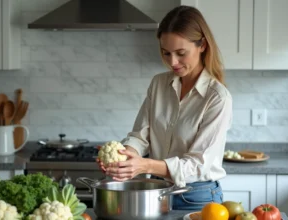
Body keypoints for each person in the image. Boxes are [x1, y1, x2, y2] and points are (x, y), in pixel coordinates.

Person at [97, 5, 232, 211]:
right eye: (166, 53)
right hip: (157, 192)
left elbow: (197, 165)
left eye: (180, 53)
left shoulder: (217, 98)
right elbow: (141, 135)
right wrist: (122, 157)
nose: (172, 62)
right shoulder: (159, 84)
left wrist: (145, 165)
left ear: (202, 45)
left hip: (197, 197)